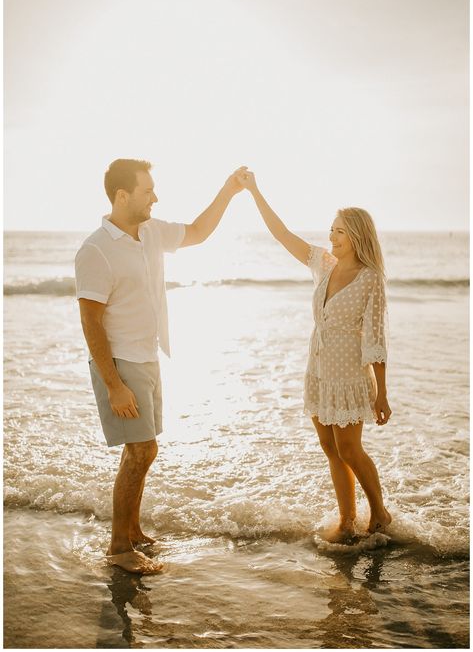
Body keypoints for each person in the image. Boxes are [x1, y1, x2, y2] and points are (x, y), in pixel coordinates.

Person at [75, 158, 245, 573]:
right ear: (122, 195)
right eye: (147, 190)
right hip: (120, 362)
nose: (155, 197)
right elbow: (90, 320)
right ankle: (119, 548)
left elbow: (199, 232)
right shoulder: (96, 249)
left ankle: (132, 531)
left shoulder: (150, 232)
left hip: (149, 357)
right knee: (142, 450)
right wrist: (114, 384)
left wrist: (228, 189)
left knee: (142, 451)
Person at [239, 170, 392, 543]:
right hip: (320, 369)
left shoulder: (370, 277)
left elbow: (375, 338)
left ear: (356, 235)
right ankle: (347, 518)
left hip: (350, 374)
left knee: (349, 448)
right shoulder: (323, 264)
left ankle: (379, 511)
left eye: (338, 231)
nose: (331, 236)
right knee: (330, 448)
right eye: (331, 230)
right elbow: (281, 234)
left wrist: (382, 392)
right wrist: (255, 191)